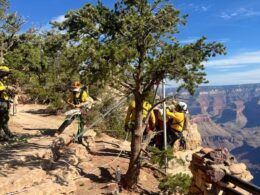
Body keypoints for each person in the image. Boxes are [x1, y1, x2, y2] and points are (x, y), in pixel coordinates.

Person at [0, 66, 14, 141]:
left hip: (3, 102)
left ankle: (8, 134)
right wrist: (8, 91)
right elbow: (1, 91)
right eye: (6, 74)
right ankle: (3, 136)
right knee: (2, 119)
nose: (7, 76)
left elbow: (3, 90)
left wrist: (9, 92)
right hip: (1, 103)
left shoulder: (1, 82)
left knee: (4, 119)